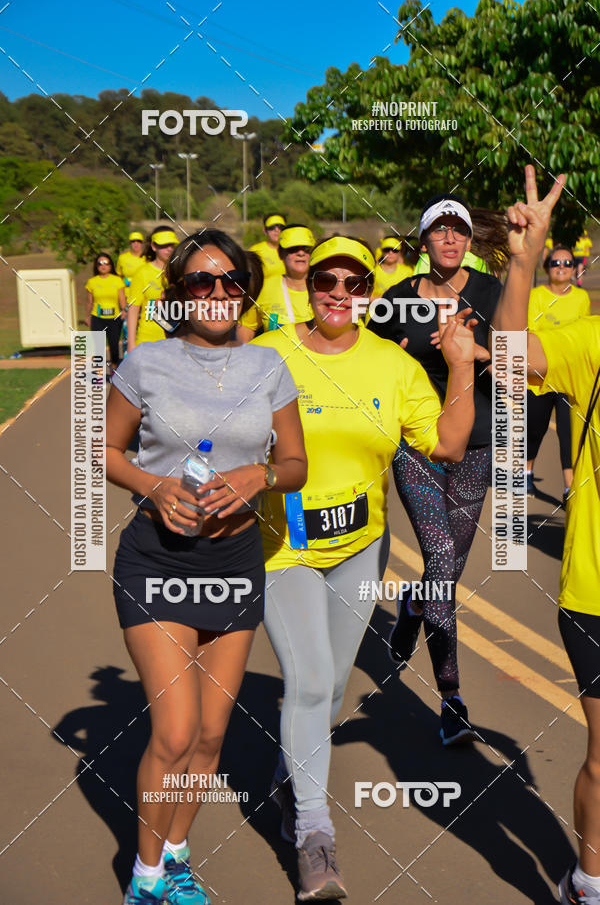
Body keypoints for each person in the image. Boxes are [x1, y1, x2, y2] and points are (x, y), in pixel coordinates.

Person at [253, 234, 478, 899]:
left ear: (370, 295)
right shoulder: (268, 354)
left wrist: (461, 366)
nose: (340, 296)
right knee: (312, 674)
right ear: (311, 282)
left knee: (329, 691)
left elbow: (446, 443)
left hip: (360, 547)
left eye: (355, 285)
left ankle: (295, 768)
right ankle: (314, 836)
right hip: (281, 549)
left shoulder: (392, 366)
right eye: (329, 281)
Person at [107, 228, 307, 905]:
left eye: (230, 281)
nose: (217, 292)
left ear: (246, 292)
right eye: (201, 280)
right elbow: (105, 452)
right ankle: (144, 878)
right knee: (176, 730)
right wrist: (153, 486)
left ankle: (177, 855)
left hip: (234, 561)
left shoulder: (269, 367)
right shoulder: (145, 364)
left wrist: (261, 474)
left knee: (213, 736)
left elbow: (295, 465)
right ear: (180, 293)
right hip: (157, 562)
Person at [368, 170, 564, 745]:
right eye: (438, 231)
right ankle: (452, 696)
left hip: (480, 443)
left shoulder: (491, 291)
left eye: (458, 231)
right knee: (443, 561)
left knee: (441, 571)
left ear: (470, 241)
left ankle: (411, 602)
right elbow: (368, 364)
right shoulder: (395, 301)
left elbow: (513, 357)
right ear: (422, 241)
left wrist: (474, 351)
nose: (449, 240)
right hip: (419, 446)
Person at [524, 230, 600, 905]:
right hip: (596, 591)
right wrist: (523, 259)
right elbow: (509, 351)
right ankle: (589, 882)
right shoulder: (591, 343)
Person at [527, 244, 591, 504]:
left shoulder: (581, 298)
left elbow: (583, 336)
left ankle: (568, 489)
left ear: (575, 269)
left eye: (567, 263)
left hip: (570, 376)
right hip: (540, 375)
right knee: (534, 429)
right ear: (547, 268)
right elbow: (530, 334)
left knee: (569, 432)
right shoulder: (536, 296)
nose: (562, 268)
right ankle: (526, 473)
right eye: (556, 263)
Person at [237, 224, 315, 340]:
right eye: (293, 248)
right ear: (280, 253)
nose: (301, 253)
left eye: (306, 249)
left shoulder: (329, 287)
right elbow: (246, 326)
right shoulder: (263, 288)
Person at [126, 226, 178, 351]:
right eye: (163, 245)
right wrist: (131, 344)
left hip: (177, 341)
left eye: (171, 244)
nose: (169, 249)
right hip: (148, 341)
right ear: (154, 246)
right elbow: (133, 310)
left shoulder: (181, 271)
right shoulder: (142, 273)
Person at [85, 253, 126, 372]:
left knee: (114, 346)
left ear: (110, 265)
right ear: (96, 266)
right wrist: (87, 317)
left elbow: (122, 299)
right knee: (98, 347)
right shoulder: (92, 282)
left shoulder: (117, 280)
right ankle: (98, 374)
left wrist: (124, 310)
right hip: (97, 318)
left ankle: (114, 369)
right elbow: (89, 301)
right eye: (100, 263)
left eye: (106, 263)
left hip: (114, 318)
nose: (103, 266)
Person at [249, 213, 287, 279]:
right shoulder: (255, 251)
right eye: (272, 227)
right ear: (265, 231)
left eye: (280, 227)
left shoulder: (293, 250)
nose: (276, 230)